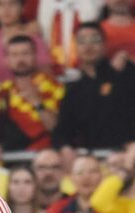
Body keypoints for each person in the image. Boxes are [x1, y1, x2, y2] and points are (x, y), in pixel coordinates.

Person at [53, 21, 135, 152]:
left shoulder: (125, 72)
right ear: (76, 48)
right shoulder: (74, 89)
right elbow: (63, 130)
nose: (88, 46)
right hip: (94, 156)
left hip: (128, 152)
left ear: (105, 45)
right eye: (82, 41)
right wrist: (65, 147)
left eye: (94, 40)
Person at [0, 35, 62, 151]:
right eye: (14, 55)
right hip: (12, 155)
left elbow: (56, 128)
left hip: (47, 154)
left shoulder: (54, 87)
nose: (20, 59)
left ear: (35, 56)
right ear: (7, 60)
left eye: (25, 53)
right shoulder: (2, 90)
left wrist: (37, 103)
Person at [0, 0, 51, 82]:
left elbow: (46, 71)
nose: (6, 9)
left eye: (12, 4)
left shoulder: (33, 37)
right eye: (1, 5)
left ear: (22, 8)